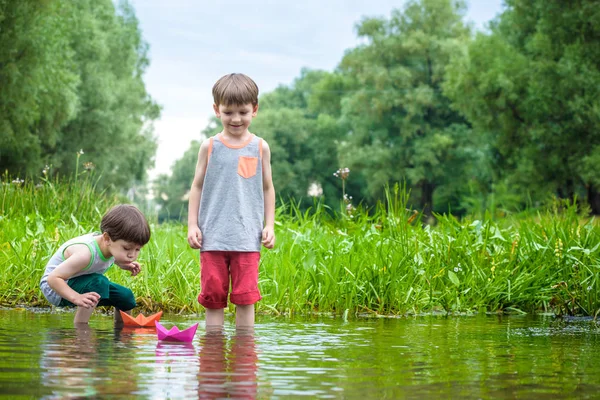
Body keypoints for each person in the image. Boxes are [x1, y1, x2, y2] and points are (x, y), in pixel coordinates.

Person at [187, 73, 275, 328]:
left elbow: (268, 188)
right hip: (212, 236)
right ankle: (212, 356)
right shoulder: (209, 146)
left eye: (243, 112)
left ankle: (244, 357)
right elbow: (197, 186)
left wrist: (269, 225)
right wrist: (193, 225)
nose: (236, 119)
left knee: (245, 298)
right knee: (213, 297)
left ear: (254, 110)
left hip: (247, 238)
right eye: (228, 112)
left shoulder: (260, 147)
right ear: (217, 110)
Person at [39, 204, 151, 325]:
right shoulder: (85, 254)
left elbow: (105, 257)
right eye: (127, 248)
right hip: (55, 289)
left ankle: (123, 334)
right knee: (99, 283)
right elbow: (53, 278)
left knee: (126, 296)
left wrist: (122, 263)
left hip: (79, 282)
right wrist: (76, 297)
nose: (132, 255)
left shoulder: (110, 246)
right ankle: (81, 331)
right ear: (107, 238)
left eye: (137, 249)